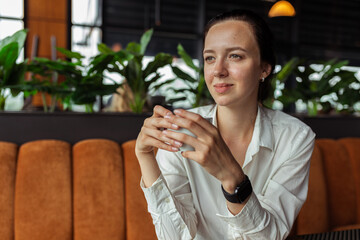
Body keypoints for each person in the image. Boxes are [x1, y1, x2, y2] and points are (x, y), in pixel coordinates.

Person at [135, 9, 315, 240]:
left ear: (264, 68)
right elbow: (173, 236)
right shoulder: (181, 130)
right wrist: (145, 157)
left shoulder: (295, 137)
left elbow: (269, 236)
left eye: (235, 56)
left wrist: (232, 180)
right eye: (210, 58)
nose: (218, 71)